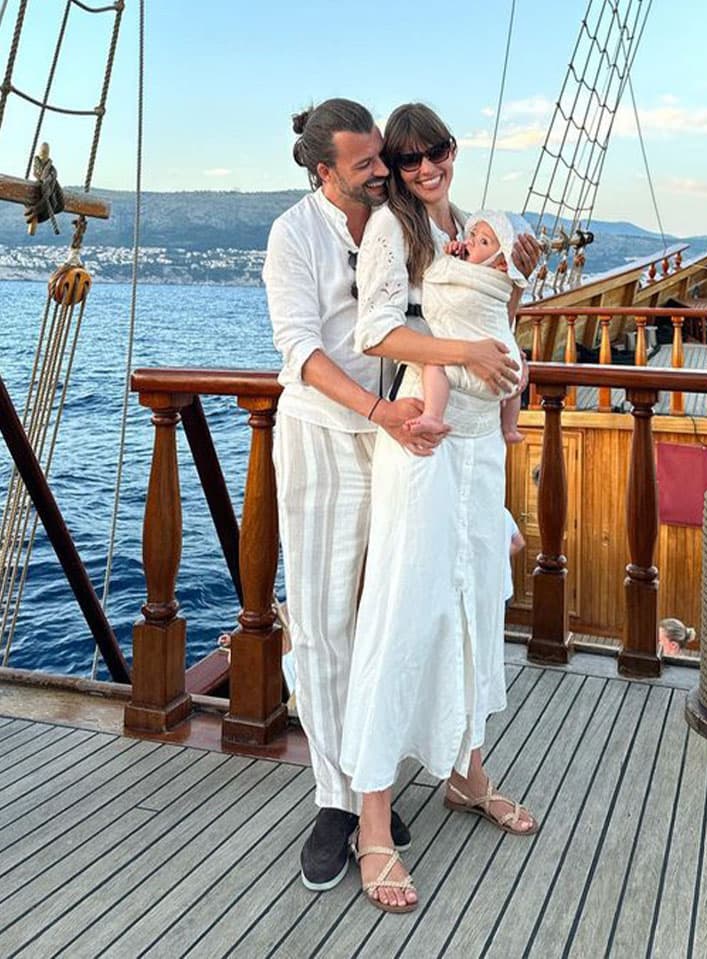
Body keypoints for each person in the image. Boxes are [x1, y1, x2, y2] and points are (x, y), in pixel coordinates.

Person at [262, 98, 519, 894]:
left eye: (403, 154)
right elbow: (316, 346)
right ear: (324, 170)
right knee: (334, 620)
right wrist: (402, 396)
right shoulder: (313, 234)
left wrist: (508, 281)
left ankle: (453, 767)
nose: (393, 170)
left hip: (419, 436)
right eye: (378, 161)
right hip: (336, 432)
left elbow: (470, 309)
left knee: (446, 602)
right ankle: (344, 804)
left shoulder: (453, 226)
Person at [340, 103, 540, 913]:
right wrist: (463, 353)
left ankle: (467, 772)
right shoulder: (394, 228)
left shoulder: (469, 224)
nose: (426, 170)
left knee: (471, 609)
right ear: (395, 162)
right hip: (423, 446)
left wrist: (518, 285)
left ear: (454, 152)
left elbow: (494, 317)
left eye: (438, 154)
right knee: (403, 614)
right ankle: (374, 822)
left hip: (477, 444)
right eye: (409, 159)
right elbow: (375, 331)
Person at [405, 210, 530, 445]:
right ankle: (510, 426)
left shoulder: (490, 279)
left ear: (502, 264)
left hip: (473, 369)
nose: (470, 241)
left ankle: (433, 414)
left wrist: (449, 262)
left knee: (433, 365)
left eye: (483, 242)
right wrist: (457, 255)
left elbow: (446, 278)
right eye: (472, 235)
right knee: (513, 384)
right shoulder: (483, 269)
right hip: (506, 370)